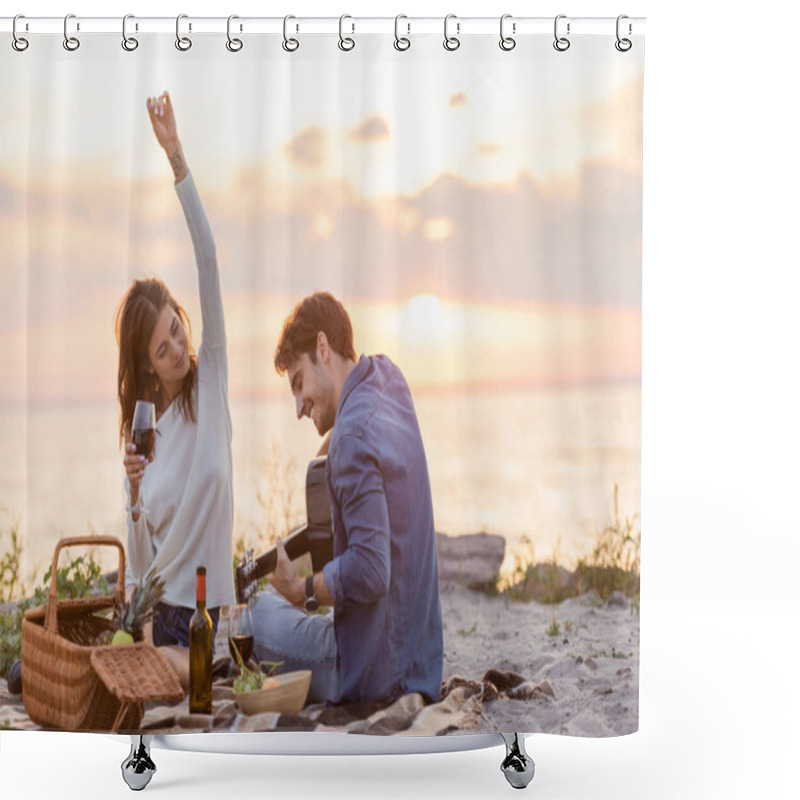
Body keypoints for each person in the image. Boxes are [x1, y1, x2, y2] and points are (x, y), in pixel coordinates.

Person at [251, 292, 443, 705]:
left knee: (258, 613)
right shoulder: (389, 379)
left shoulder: (352, 440)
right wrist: (337, 437)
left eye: (299, 381)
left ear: (323, 348)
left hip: (371, 675)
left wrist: (301, 589)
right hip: (421, 662)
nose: (299, 407)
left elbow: (372, 569)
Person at [116, 92, 235, 686]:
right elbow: (140, 567)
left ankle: (122, 673)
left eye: (175, 330)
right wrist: (134, 495)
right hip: (164, 623)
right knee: (168, 673)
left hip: (216, 617)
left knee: (201, 676)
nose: (177, 349)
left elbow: (209, 258)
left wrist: (176, 157)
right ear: (147, 370)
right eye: (162, 351)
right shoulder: (146, 440)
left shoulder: (211, 375)